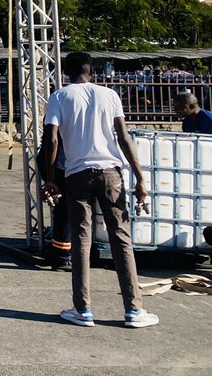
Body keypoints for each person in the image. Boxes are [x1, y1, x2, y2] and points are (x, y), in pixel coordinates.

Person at [42, 51, 158, 328]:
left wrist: (50, 177)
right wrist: (140, 177)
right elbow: (123, 136)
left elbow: (51, 139)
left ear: (65, 72)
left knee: (82, 240)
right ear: (91, 71)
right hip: (111, 173)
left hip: (76, 173)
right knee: (121, 239)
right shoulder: (110, 95)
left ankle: (82, 309)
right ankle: (133, 310)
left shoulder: (59, 96)